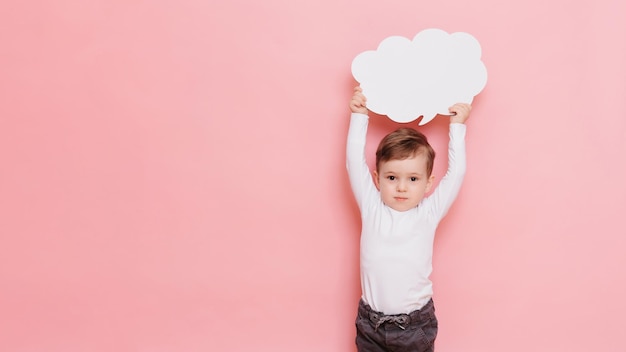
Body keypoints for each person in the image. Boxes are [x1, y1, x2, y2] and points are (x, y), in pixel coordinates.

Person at [347, 86, 471, 352]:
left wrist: (457, 127)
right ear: (377, 179)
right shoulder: (372, 207)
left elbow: (456, 174)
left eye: (413, 179)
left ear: (428, 184)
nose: (402, 187)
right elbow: (354, 163)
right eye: (392, 178)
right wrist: (359, 115)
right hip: (371, 325)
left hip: (415, 327)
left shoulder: (428, 213)